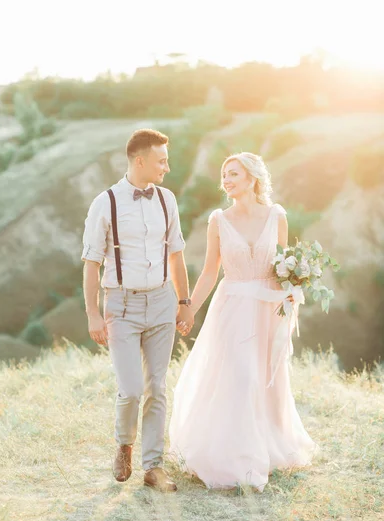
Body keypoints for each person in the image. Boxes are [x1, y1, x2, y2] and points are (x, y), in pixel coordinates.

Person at [169, 152, 318, 492]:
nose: (227, 180)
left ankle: (269, 447)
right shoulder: (218, 220)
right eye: (224, 175)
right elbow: (210, 272)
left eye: (233, 173)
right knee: (241, 377)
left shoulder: (276, 216)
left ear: (252, 179)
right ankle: (238, 459)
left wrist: (294, 288)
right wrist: (189, 307)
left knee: (268, 378)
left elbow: (285, 265)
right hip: (233, 308)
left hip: (268, 310)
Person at [81, 129, 193, 493]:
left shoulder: (167, 200)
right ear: (140, 160)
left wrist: (184, 303)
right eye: (161, 160)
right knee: (130, 389)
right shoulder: (105, 202)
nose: (167, 167)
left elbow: (176, 254)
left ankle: (153, 467)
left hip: (162, 301)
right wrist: (93, 314)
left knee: (157, 388)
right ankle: (124, 444)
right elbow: (91, 263)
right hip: (122, 306)